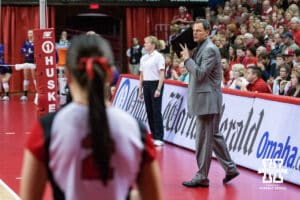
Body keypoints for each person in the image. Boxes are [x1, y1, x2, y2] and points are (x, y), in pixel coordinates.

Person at [20, 34, 163, 200]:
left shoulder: (48, 128)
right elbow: (152, 197)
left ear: (67, 75)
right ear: (110, 74)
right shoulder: (136, 130)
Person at [180, 19, 239, 188]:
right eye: (194, 31)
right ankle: (230, 168)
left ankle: (202, 176)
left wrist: (187, 60)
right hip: (206, 100)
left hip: (208, 101)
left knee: (204, 140)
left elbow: (200, 74)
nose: (195, 34)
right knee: (213, 136)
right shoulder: (201, 48)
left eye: (198, 31)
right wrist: (189, 57)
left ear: (207, 32)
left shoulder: (210, 50)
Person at [139, 36, 165, 146]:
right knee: (149, 111)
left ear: (153, 45)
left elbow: (162, 74)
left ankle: (159, 137)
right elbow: (141, 74)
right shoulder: (143, 58)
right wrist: (140, 89)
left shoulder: (159, 57)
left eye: (146, 43)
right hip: (146, 84)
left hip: (155, 83)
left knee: (156, 111)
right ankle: (153, 135)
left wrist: (158, 88)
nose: (144, 44)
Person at [20, 29, 36, 101]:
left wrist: (32, 52)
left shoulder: (36, 42)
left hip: (33, 62)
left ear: (33, 34)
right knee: (26, 78)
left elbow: (37, 51)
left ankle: (38, 94)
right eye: (29, 33)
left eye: (31, 33)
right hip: (26, 61)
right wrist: (26, 52)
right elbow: (22, 50)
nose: (30, 35)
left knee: (34, 78)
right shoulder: (25, 42)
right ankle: (25, 95)